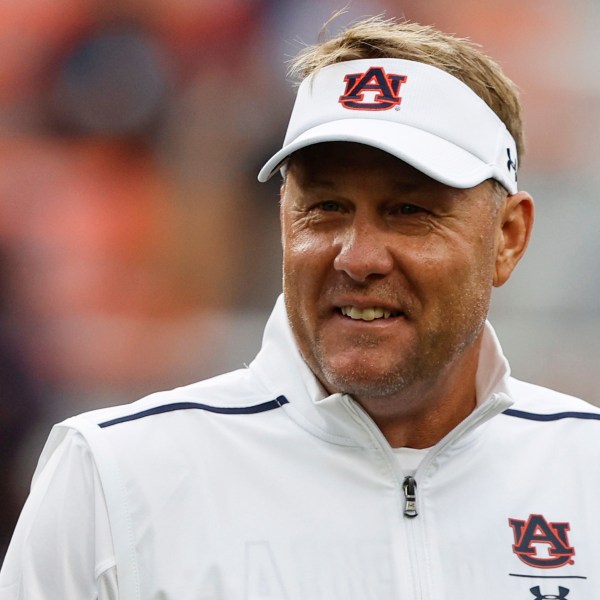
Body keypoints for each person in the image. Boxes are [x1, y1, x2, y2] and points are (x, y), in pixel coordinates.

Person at [1, 16, 599, 600]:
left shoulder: (585, 470)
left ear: (509, 236)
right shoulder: (113, 480)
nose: (357, 257)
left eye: (409, 211)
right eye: (327, 207)